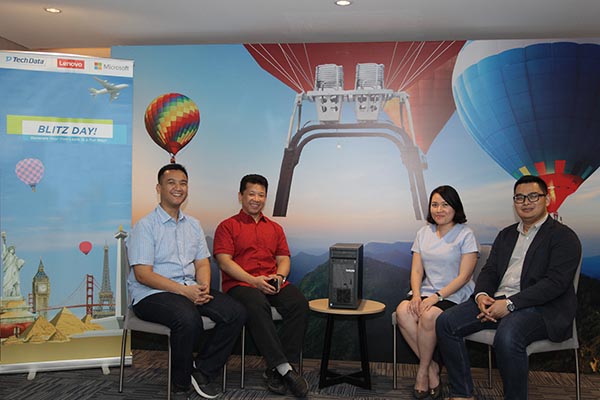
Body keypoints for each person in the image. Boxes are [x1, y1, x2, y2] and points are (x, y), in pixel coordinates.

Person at [436, 175, 582, 400]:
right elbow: (490, 271)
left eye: (533, 196)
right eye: (519, 197)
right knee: (446, 322)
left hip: (542, 309)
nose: (526, 202)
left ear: (547, 199)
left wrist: (511, 304)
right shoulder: (506, 235)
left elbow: (555, 284)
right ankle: (462, 393)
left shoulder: (563, 236)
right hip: (498, 301)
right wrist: (482, 296)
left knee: (508, 335)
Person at [127, 163, 247, 400]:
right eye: (171, 183)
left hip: (188, 288)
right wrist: (185, 293)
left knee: (236, 313)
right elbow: (143, 274)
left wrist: (202, 287)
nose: (178, 188)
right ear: (159, 188)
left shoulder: (193, 225)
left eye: (183, 183)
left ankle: (201, 370)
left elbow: (202, 263)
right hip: (151, 294)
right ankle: (180, 385)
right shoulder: (145, 226)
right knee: (187, 318)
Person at [213, 174, 309, 398]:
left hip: (270, 280)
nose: (256, 199)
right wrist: (253, 280)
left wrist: (280, 277)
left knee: (299, 304)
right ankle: (285, 370)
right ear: (241, 196)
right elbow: (224, 262)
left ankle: (276, 370)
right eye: (251, 194)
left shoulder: (275, 228)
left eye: (261, 195)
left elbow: (283, 258)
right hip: (240, 284)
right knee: (257, 305)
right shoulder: (227, 226)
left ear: (265, 198)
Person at [395, 186, 479, 399]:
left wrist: (436, 297)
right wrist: (416, 295)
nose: (439, 209)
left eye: (445, 204)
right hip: (426, 290)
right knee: (403, 311)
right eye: (435, 204)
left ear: (455, 207)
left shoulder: (465, 234)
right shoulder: (423, 233)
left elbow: (464, 276)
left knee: (429, 315)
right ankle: (432, 367)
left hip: (455, 294)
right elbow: (416, 270)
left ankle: (423, 372)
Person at [2, 231, 26, 298]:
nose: (12, 250)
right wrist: (4, 240)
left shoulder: (15, 257)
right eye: (11, 249)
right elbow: (4, 250)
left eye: (13, 249)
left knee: (15, 282)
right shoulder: (7, 256)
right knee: (7, 282)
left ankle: (15, 294)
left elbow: (18, 264)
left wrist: (21, 262)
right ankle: (8, 294)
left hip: (14, 271)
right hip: (8, 271)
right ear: (9, 250)